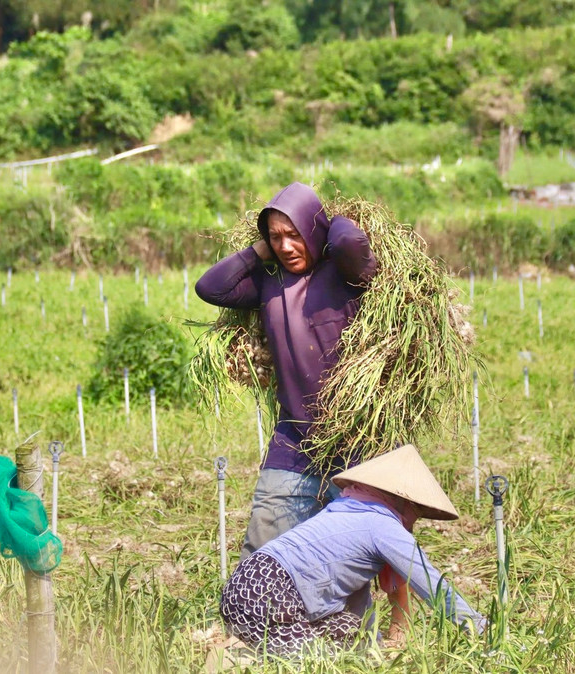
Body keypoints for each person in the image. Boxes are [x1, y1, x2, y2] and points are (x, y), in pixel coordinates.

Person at [195, 182, 378, 557]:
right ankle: (254, 618)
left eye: (294, 234)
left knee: (345, 564)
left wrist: (334, 221)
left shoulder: (346, 276)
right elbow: (210, 287)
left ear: (314, 229)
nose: (285, 247)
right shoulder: (269, 282)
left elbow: (349, 243)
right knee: (261, 554)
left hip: (354, 444)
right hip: (292, 442)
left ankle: (347, 620)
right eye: (275, 238)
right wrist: (258, 249)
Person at [219, 444, 486, 657]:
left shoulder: (346, 507)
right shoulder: (381, 525)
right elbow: (431, 583)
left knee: (347, 638)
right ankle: (235, 660)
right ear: (404, 501)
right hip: (269, 593)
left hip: (244, 585)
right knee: (318, 663)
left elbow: (356, 598)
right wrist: (479, 628)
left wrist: (373, 645)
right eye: (417, 511)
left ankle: (247, 651)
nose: (415, 520)